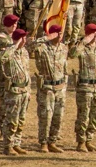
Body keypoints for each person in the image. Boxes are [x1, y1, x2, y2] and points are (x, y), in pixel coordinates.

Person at [33, 23, 69, 153]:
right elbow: (30, 45)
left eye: (61, 33)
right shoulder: (42, 48)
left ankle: (52, 141)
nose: (60, 36)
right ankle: (43, 142)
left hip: (60, 86)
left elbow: (65, 67)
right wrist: (46, 37)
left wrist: (65, 82)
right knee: (46, 116)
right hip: (47, 86)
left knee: (58, 116)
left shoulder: (64, 48)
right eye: (57, 33)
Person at [70, 23, 96, 153]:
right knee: (83, 116)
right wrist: (84, 41)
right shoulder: (82, 48)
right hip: (85, 86)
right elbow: (72, 54)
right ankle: (81, 142)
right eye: (93, 34)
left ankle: (89, 140)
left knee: (95, 116)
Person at [0, 28, 31, 156]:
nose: (25, 40)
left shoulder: (24, 52)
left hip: (24, 90)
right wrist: (15, 45)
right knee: (11, 120)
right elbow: (3, 58)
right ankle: (8, 146)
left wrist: (28, 90)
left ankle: (17, 143)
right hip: (13, 91)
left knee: (21, 119)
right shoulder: (7, 51)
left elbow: (26, 70)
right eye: (23, 38)